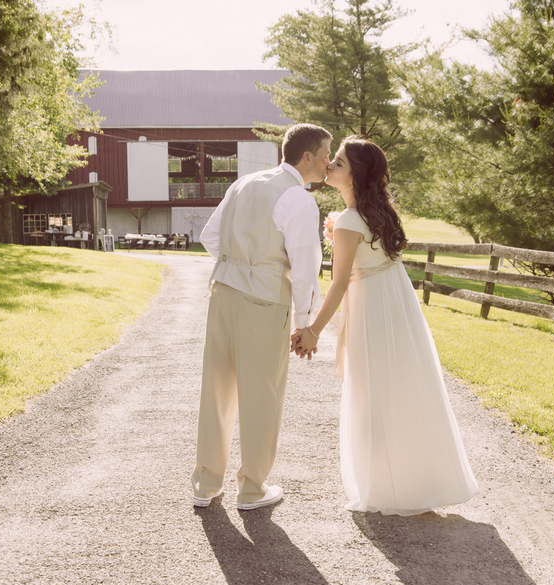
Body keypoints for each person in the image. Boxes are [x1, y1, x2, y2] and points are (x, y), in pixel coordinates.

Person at [292, 136, 479, 515]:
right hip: (396, 300)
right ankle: (416, 480)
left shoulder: (347, 220)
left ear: (356, 176)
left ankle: (388, 487)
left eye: (339, 163)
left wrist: (312, 330)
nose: (330, 167)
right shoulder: (373, 213)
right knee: (401, 388)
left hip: (373, 307)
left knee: (375, 393)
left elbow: (340, 282)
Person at [192, 124, 331, 510]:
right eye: (324, 156)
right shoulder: (300, 199)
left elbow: (209, 236)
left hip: (222, 294)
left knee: (216, 386)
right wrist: (305, 323)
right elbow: (305, 269)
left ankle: (205, 484)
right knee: (261, 394)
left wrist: (237, 267)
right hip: (264, 300)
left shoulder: (244, 183)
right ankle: (252, 489)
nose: (327, 163)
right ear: (306, 157)